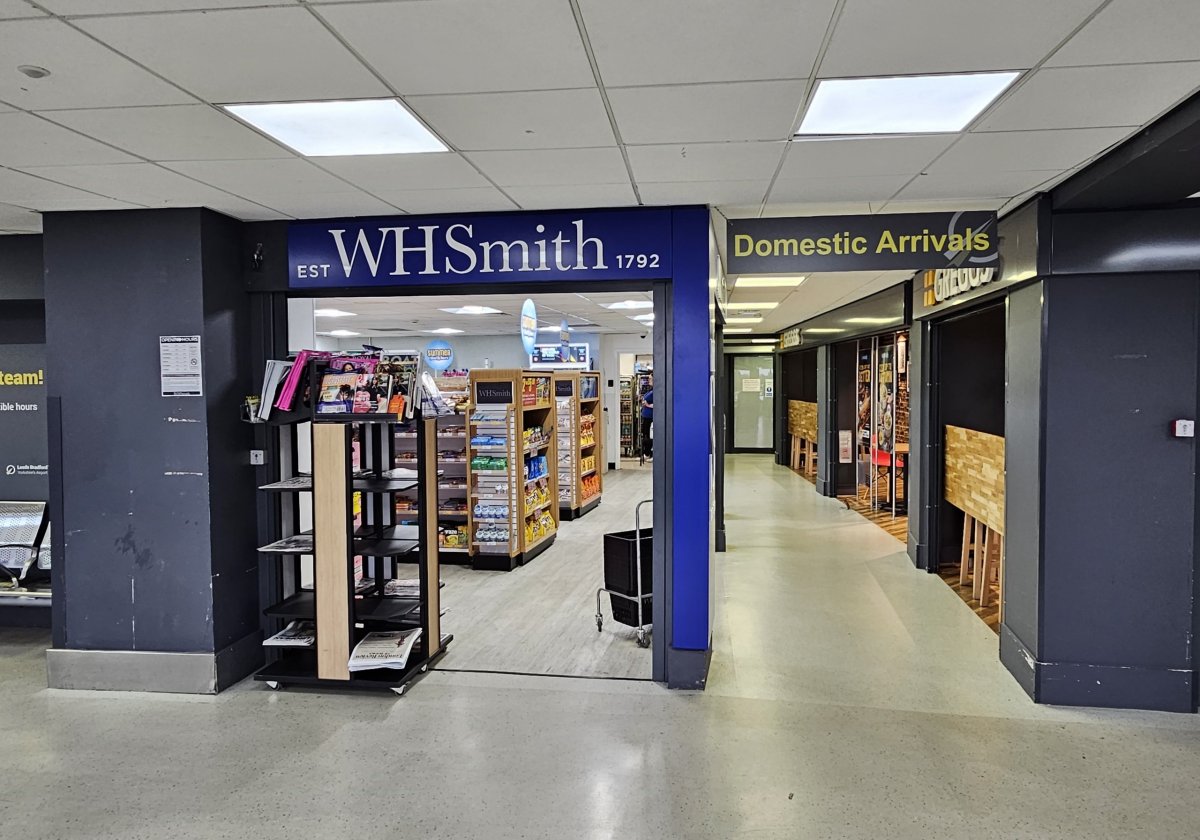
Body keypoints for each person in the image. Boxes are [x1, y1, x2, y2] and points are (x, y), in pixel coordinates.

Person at [640, 378, 653, 460]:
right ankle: (646, 453)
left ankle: (649, 453)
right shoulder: (651, 390)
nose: (649, 380)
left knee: (649, 436)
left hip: (650, 417)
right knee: (646, 435)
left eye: (650, 379)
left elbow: (659, 403)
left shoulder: (657, 391)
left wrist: (647, 405)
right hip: (646, 416)